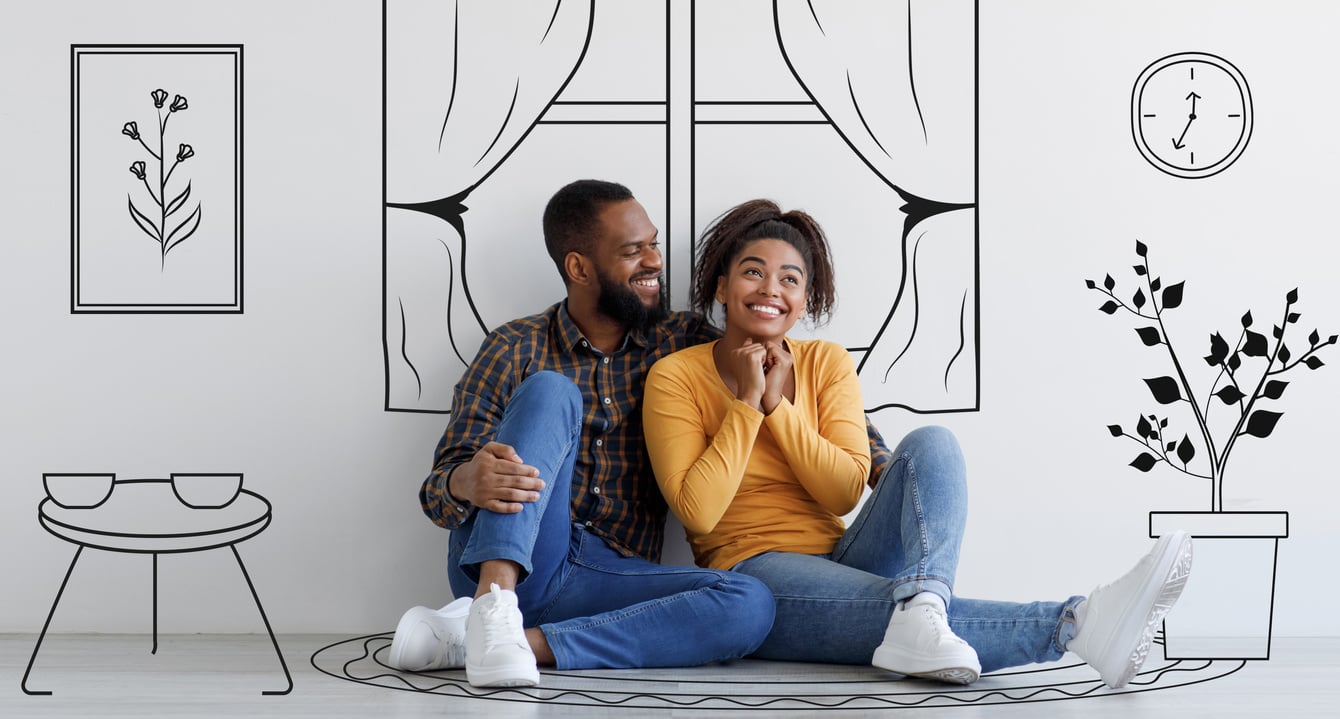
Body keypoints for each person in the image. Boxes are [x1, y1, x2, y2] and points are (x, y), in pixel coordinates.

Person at [642, 199, 1193, 688]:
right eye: (753, 272)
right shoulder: (676, 377)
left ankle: (925, 601)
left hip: (847, 555)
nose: (770, 290)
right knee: (893, 610)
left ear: (804, 299)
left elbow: (842, 493)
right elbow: (700, 512)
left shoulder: (826, 362)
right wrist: (747, 403)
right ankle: (1081, 624)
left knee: (933, 440)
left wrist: (779, 410)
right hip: (753, 572)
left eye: (789, 279)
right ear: (722, 287)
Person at [386, 180, 782, 688]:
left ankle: (499, 641)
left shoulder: (685, 343)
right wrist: (465, 481)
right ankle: (494, 603)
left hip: (608, 577)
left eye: (654, 244)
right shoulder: (514, 346)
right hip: (514, 556)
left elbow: (774, 368)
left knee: (749, 603)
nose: (655, 261)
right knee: (552, 390)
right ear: (579, 268)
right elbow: (436, 494)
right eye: (633, 251)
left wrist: (872, 458)